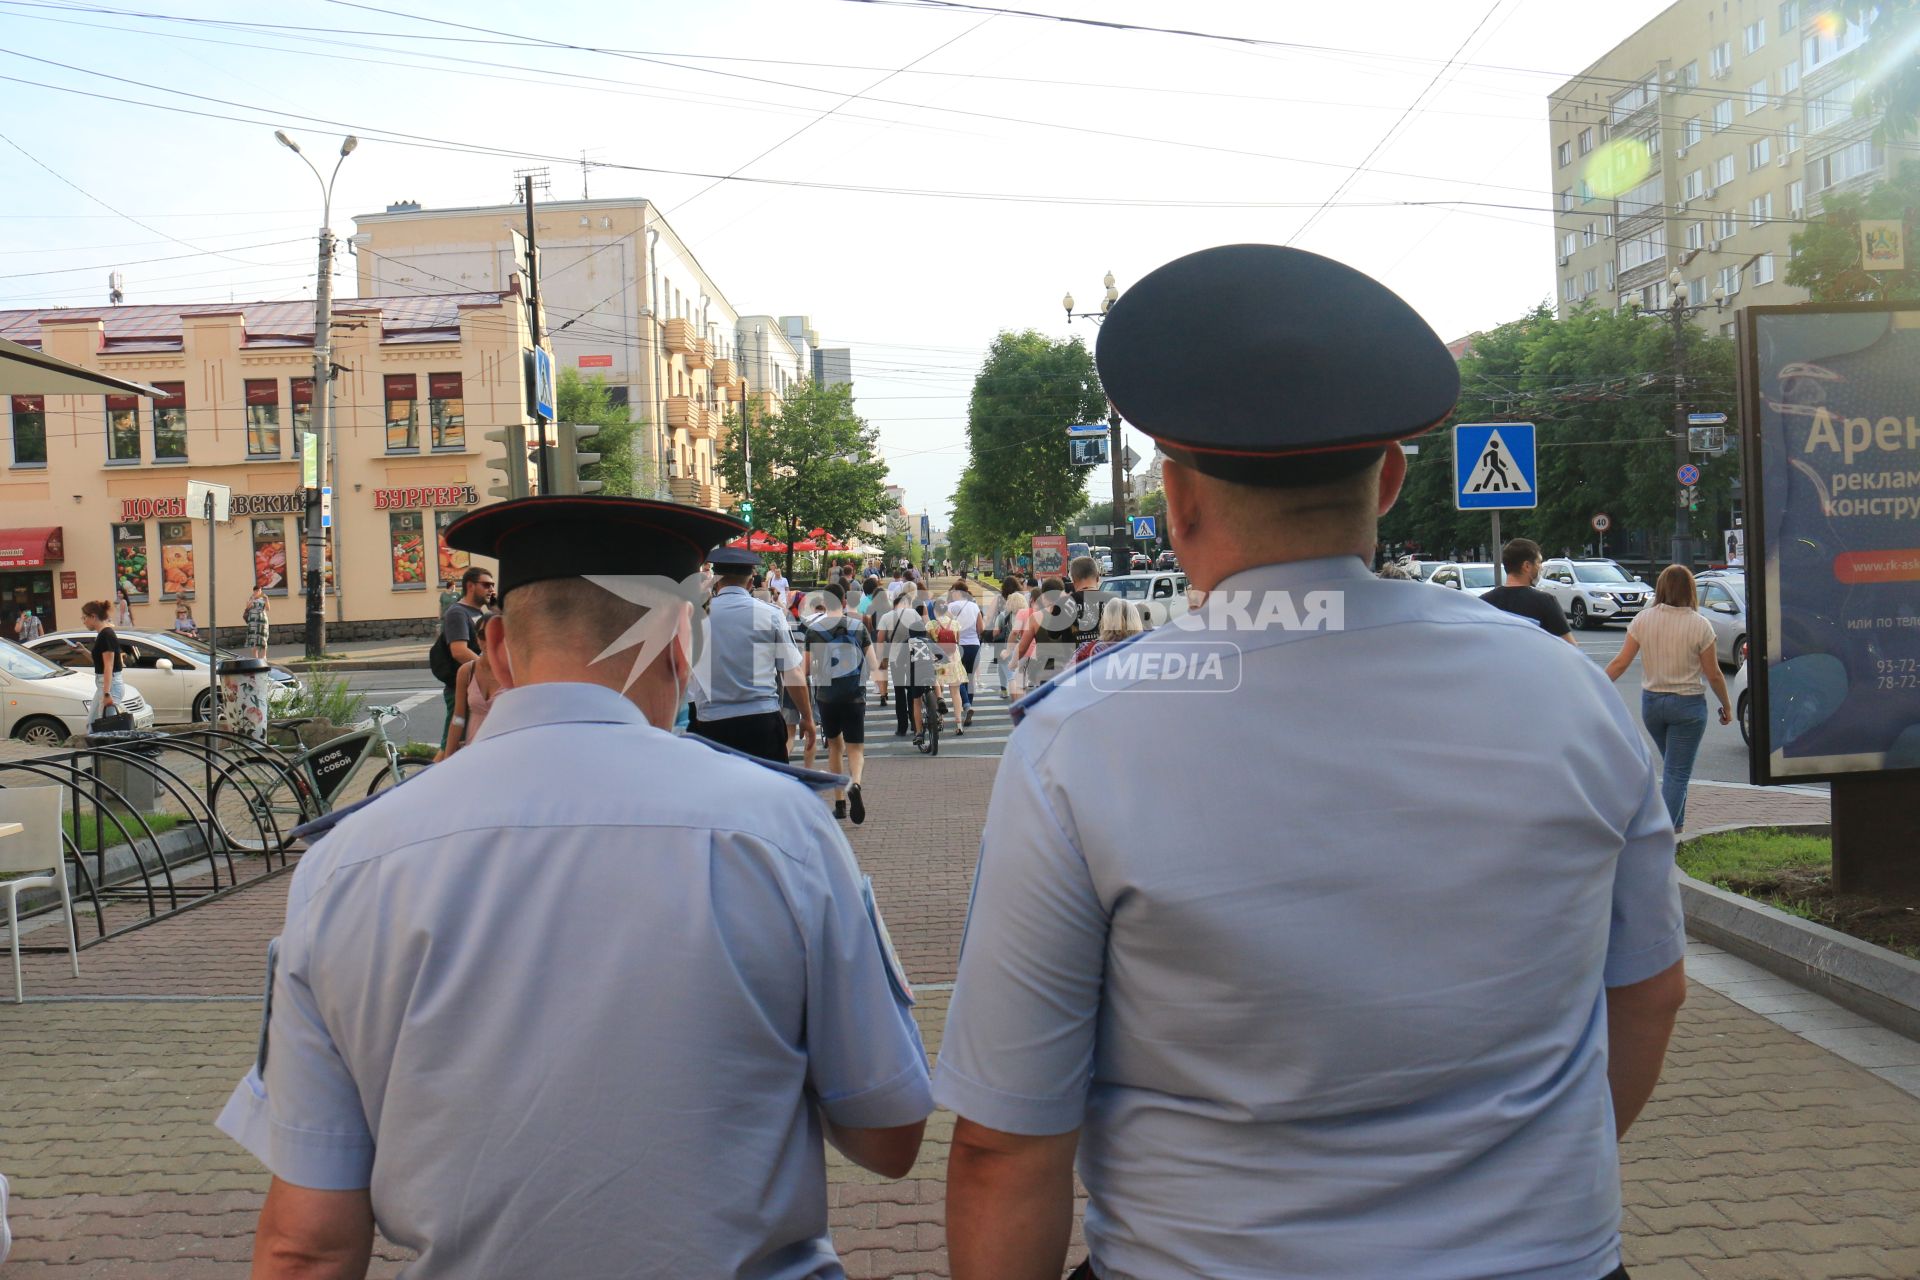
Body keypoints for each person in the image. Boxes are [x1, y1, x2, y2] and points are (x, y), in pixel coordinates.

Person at [936, 245, 1686, 1280]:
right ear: (1388, 478)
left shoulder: (1083, 737)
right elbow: (1648, 990)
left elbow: (1005, 1143)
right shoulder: (1570, 694)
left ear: (1176, 497)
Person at [216, 494, 931, 1279]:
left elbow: (306, 1243)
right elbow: (889, 1133)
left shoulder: (347, 863)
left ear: (492, 647)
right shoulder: (783, 832)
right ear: (678, 649)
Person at [1604, 564, 1732, 832]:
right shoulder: (1700, 625)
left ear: (1661, 588)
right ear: (1690, 590)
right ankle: (1658, 835)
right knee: (1677, 773)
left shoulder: (1643, 619)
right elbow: (1714, 674)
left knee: (1674, 769)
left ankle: (1677, 828)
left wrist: (1594, 687)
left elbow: (1620, 663)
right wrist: (1726, 705)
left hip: (1652, 705)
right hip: (1688, 706)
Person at [690, 545, 814, 763]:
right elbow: (792, 673)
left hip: (712, 722)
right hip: (761, 720)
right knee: (769, 789)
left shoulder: (696, 617)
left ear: (716, 581)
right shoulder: (771, 615)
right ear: (750, 583)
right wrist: (807, 716)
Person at [803, 582, 875, 823]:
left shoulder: (813, 630)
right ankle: (855, 783)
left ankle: (840, 804)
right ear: (844, 601)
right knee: (856, 748)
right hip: (854, 694)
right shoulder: (858, 626)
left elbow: (806, 668)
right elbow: (873, 664)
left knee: (835, 746)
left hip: (827, 696)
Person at [1482, 537, 1577, 646]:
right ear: (1527, 566)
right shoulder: (1546, 602)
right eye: (1539, 562)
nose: (1541, 567)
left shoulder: (1484, 602)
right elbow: (1570, 646)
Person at [437, 613, 505, 760]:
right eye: (482, 635)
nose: (488, 640)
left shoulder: (513, 673)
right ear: (477, 639)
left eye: (495, 635)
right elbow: (458, 718)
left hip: (504, 752)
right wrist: (448, 756)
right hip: (474, 751)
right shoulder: (467, 671)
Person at [434, 565, 492, 733]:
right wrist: (489, 669)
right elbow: (459, 651)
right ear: (470, 586)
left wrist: (494, 607)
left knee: (468, 739)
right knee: (450, 745)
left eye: (493, 585)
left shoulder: (477, 612)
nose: (491, 589)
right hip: (459, 689)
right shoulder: (458, 612)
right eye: (486, 585)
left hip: (472, 686)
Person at [79, 600, 125, 726]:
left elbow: (108, 666)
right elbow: (100, 662)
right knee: (92, 724)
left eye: (84, 618)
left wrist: (107, 693)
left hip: (110, 686)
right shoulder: (102, 635)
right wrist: (84, 651)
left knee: (106, 727)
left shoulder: (106, 635)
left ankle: (111, 746)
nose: (84, 622)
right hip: (104, 685)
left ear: (93, 617)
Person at [946, 580, 984, 727]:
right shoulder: (974, 606)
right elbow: (981, 628)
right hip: (974, 645)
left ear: (956, 592)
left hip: (958, 646)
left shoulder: (951, 607)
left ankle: (966, 705)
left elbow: (946, 627)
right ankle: (969, 706)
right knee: (970, 678)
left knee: (957, 678)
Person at [1072, 597, 1143, 665]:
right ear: (1136, 622)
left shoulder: (1087, 649)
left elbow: (1068, 673)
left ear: (1105, 620)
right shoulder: (1144, 650)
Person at [244, 587, 270, 659]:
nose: (258, 592)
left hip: (262, 621)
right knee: (253, 639)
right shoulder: (251, 598)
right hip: (253, 621)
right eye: (256, 590)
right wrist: (253, 599)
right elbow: (247, 608)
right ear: (253, 591)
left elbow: (268, 609)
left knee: (263, 638)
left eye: (259, 590)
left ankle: (264, 657)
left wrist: (267, 600)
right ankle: (255, 658)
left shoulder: (263, 599)